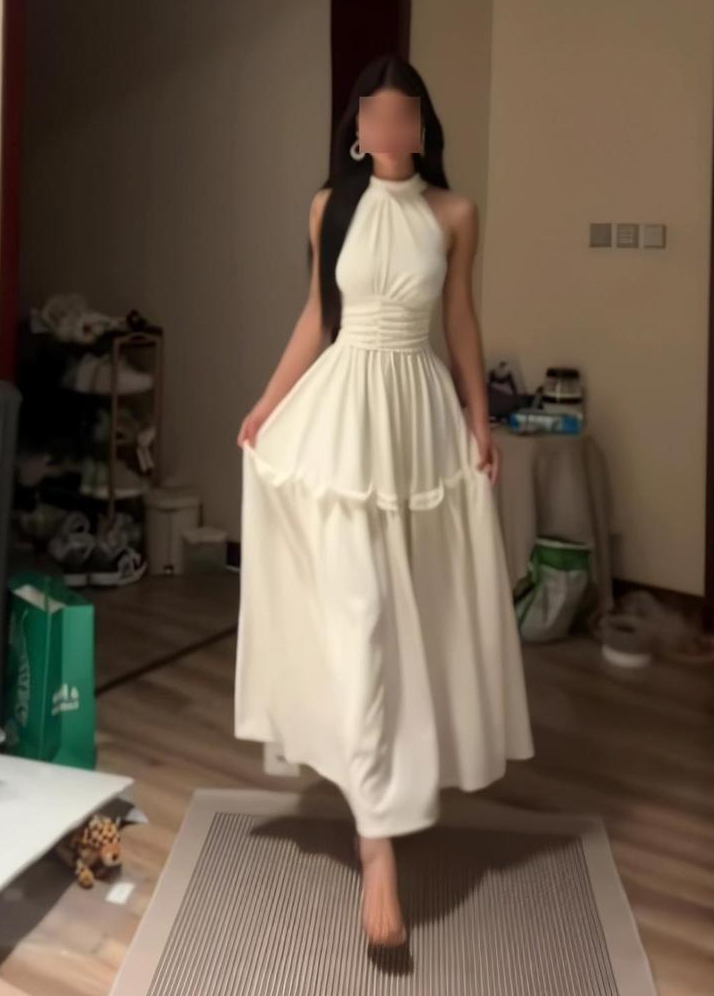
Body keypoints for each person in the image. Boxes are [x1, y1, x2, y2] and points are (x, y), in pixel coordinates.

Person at [234, 54, 534, 948]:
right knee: (360, 615)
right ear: (359, 130)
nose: (391, 131)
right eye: (376, 117)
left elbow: (461, 319)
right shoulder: (330, 206)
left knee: (411, 620)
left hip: (418, 420)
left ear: (422, 128)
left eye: (406, 117)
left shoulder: (454, 213)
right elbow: (317, 316)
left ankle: (391, 797)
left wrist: (481, 419)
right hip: (342, 414)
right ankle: (379, 853)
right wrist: (267, 403)